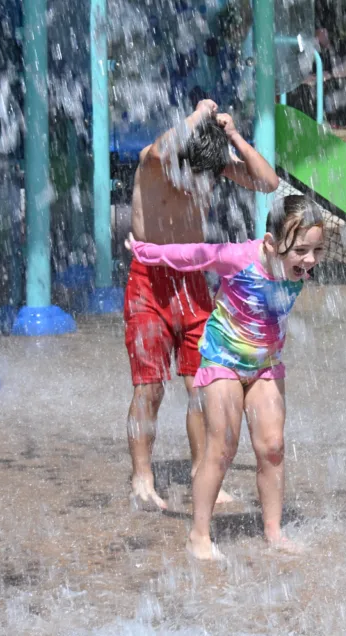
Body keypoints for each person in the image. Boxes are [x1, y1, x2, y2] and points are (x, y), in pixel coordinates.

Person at [126, 195, 327, 560]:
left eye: (317, 250)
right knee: (222, 448)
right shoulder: (241, 258)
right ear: (270, 243)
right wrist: (146, 252)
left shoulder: (298, 267)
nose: (310, 260)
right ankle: (199, 536)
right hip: (222, 362)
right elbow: (194, 255)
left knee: (273, 447)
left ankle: (273, 533)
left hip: (265, 363)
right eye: (301, 250)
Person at [125, 98, 280, 511]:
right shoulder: (156, 160)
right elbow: (160, 149)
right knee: (150, 386)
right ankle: (142, 475)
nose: (196, 185)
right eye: (192, 174)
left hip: (191, 281)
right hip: (148, 281)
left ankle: (201, 472)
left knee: (202, 385)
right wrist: (198, 115)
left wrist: (233, 137)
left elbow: (268, 183)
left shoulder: (208, 163)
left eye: (205, 178)